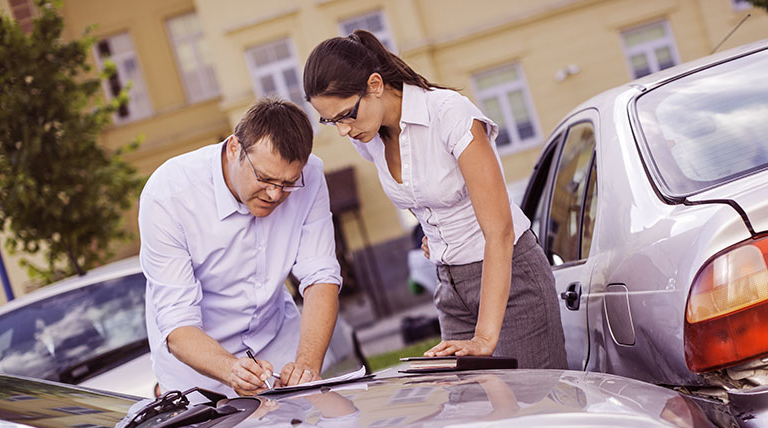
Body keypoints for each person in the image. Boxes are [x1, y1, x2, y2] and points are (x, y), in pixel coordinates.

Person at [303, 30, 566, 369]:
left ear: (375, 85)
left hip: (511, 281)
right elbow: (430, 197)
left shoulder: (449, 114)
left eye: (346, 114)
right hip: (450, 287)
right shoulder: (368, 138)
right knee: (473, 414)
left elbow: (499, 231)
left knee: (534, 411)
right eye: (330, 121)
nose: (343, 130)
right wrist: (438, 235)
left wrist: (485, 337)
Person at [138, 97, 342, 396]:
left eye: (287, 184)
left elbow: (321, 276)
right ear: (234, 148)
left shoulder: (310, 175)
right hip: (199, 369)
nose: (274, 194)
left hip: (277, 343)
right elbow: (177, 324)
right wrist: (231, 369)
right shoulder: (169, 194)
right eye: (265, 178)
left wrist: (306, 365)